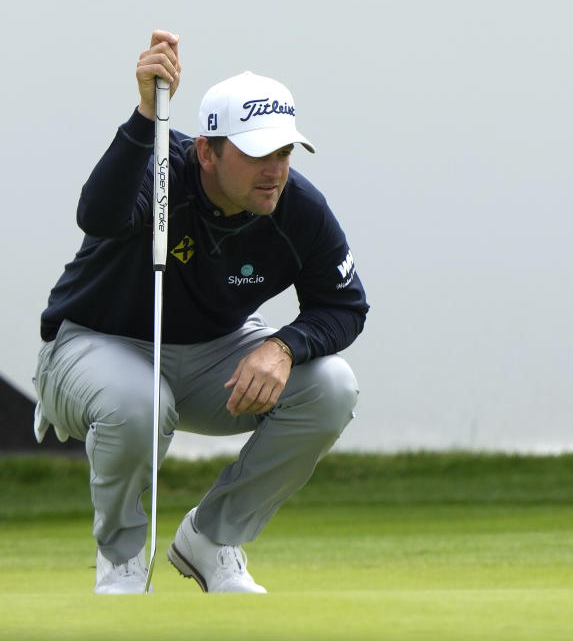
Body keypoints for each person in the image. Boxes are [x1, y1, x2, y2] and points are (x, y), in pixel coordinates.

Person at [33, 29, 369, 595]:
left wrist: (283, 347)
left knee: (332, 385)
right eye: (258, 152)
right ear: (208, 151)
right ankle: (121, 560)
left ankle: (212, 539)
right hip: (93, 346)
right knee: (141, 400)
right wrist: (145, 115)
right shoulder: (161, 167)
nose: (276, 170)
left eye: (284, 152)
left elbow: (345, 305)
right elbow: (100, 214)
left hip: (213, 354)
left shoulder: (297, 207)